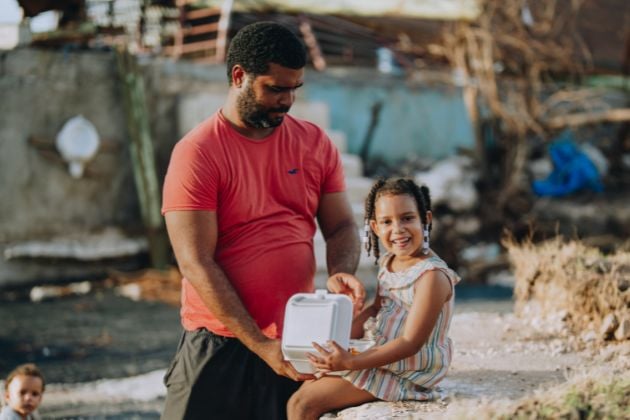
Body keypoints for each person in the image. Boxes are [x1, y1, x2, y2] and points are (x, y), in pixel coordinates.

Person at [160, 21, 363, 420]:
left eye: (294, 89)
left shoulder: (314, 143)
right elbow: (195, 262)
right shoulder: (197, 154)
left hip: (295, 342)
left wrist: (340, 272)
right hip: (217, 345)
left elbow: (341, 227)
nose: (287, 100)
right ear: (239, 76)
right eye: (275, 88)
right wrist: (259, 343)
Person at [287, 178, 461, 420]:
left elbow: (411, 342)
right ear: (375, 227)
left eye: (407, 218)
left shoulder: (431, 277)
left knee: (302, 405)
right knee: (304, 388)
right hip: (381, 353)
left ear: (426, 220)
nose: (397, 229)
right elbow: (376, 309)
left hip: (408, 369)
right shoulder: (389, 262)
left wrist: (350, 362)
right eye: (387, 222)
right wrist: (339, 343)